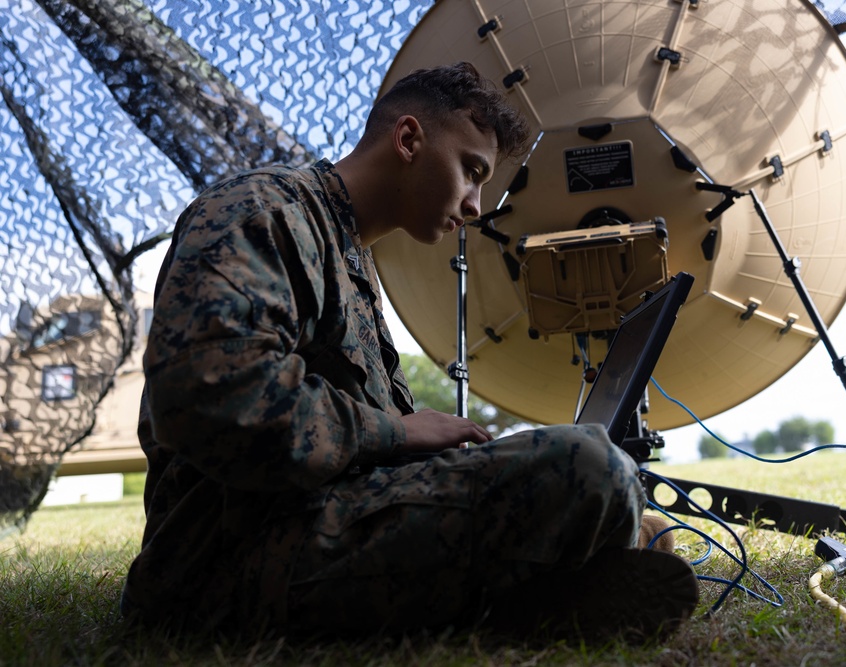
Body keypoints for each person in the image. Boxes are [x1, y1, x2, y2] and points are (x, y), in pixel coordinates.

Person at [122, 62, 698, 638]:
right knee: (591, 468)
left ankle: (545, 588)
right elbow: (212, 399)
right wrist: (398, 432)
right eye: (470, 171)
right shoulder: (265, 213)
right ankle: (541, 598)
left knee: (601, 478)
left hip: (321, 522)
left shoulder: (352, 260)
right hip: (222, 561)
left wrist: (453, 457)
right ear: (408, 139)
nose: (475, 205)